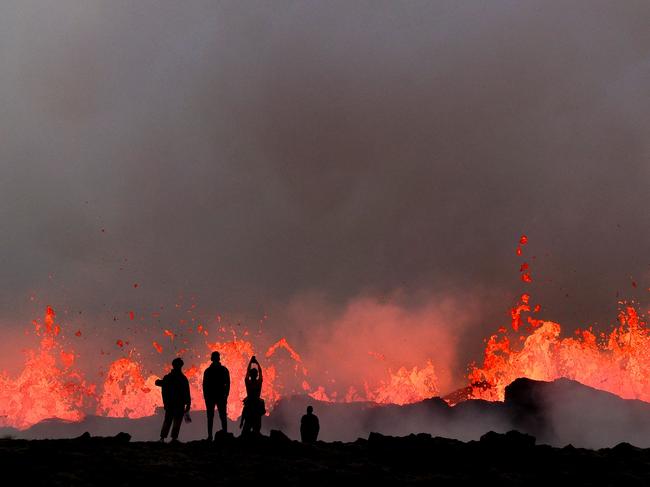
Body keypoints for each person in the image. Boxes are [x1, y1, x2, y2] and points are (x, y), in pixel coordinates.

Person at [155, 357, 191, 443]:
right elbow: (186, 392)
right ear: (181, 366)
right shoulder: (183, 378)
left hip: (170, 403)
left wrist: (158, 382)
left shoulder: (168, 378)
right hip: (179, 403)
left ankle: (162, 438)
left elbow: (161, 385)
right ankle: (173, 438)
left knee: (168, 420)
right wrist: (188, 403)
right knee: (176, 421)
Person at [203, 350, 230, 440]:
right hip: (220, 396)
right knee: (222, 416)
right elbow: (228, 384)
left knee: (211, 417)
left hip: (212, 396)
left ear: (212, 359)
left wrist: (206, 397)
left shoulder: (208, 371)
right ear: (219, 358)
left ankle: (210, 436)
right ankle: (224, 433)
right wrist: (226, 395)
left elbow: (205, 385)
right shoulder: (224, 370)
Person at [240, 355, 265, 436]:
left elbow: (247, 371)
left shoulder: (248, 383)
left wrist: (251, 361)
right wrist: (256, 362)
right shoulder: (258, 383)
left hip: (250, 406)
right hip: (257, 407)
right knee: (256, 430)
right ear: (256, 375)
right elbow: (261, 371)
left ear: (250, 375)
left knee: (246, 429)